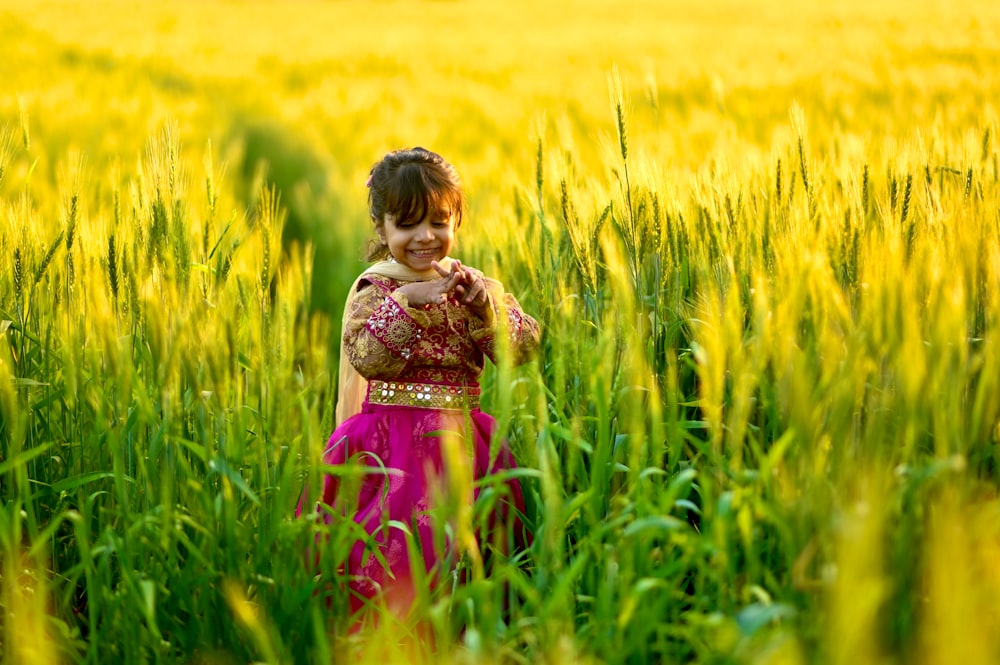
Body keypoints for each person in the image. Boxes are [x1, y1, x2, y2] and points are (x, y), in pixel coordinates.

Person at [300, 147, 540, 628]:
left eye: (438, 221)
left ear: (456, 219)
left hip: (465, 448)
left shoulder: (472, 285)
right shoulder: (377, 289)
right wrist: (407, 302)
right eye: (407, 225)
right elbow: (364, 357)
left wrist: (484, 312)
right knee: (396, 559)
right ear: (382, 228)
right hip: (389, 452)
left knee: (471, 557)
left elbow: (524, 349)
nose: (425, 237)